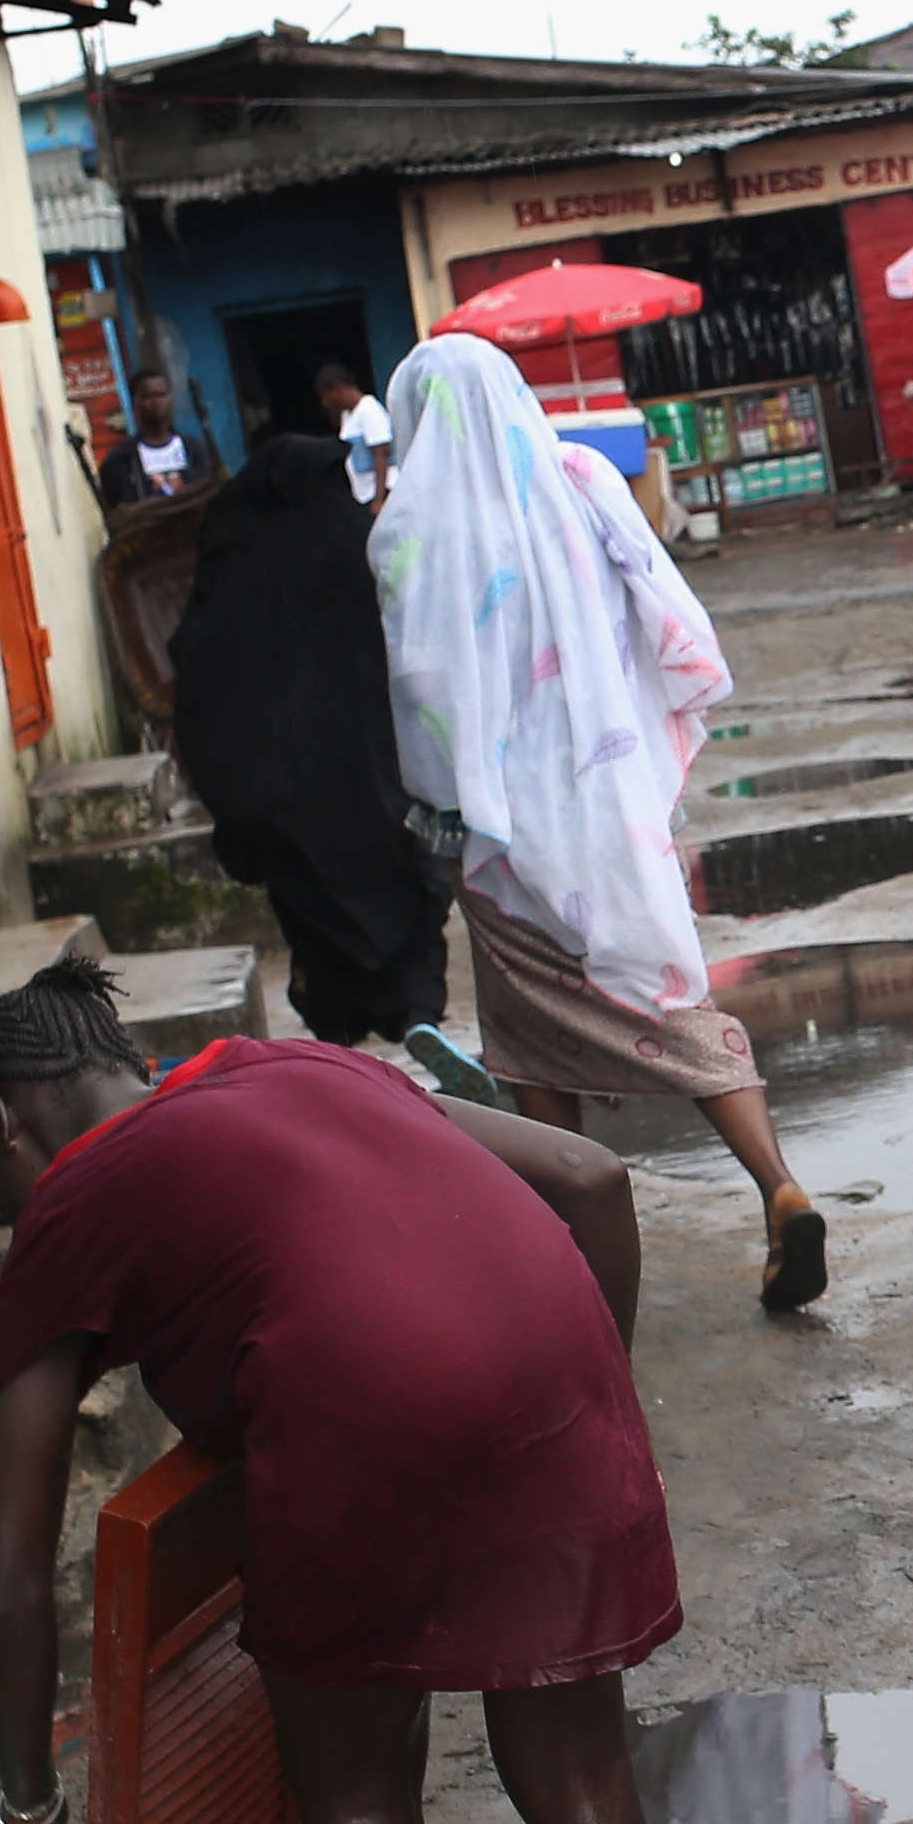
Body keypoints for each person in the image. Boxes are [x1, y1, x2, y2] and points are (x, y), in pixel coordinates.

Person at [0, 963, 680, 1824]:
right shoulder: (299, 1062)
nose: (10, 1211)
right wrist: (582, 1417)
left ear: (7, 1124)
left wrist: (20, 1792)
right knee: (577, 1776)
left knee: (355, 1796)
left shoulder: (67, 1203)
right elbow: (585, 1177)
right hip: (547, 1368)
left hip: (353, 1417)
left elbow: (8, 1575)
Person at [371, 334, 828, 1312]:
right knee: (667, 993)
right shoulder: (578, 474)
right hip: (608, 793)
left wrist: (437, 805)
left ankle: (574, 1249)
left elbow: (420, 688)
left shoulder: (412, 526)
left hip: (504, 830)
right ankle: (778, 1184)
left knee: (531, 1030)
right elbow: (655, 601)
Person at [174, 434, 449, 1046]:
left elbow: (194, 674)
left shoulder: (233, 560)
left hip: (283, 795)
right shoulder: (353, 546)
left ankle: (339, 1033)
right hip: (374, 776)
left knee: (313, 915)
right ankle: (418, 1010)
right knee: (410, 888)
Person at [99, 363, 203, 507]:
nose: (156, 402)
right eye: (148, 397)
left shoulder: (194, 449)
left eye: (161, 395)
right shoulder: (121, 460)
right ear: (134, 403)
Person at [319, 358, 392, 506]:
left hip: (382, 493)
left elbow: (381, 453)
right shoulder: (347, 415)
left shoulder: (369, 410)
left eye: (325, 395)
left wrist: (379, 499)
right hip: (364, 495)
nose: (324, 402)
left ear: (337, 389)